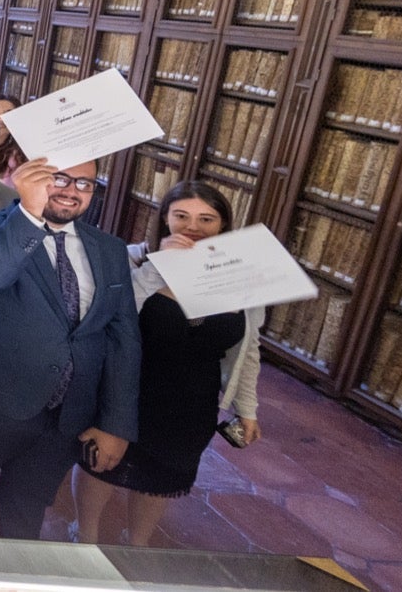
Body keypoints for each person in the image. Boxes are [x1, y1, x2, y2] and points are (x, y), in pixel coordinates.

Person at [0, 157, 142, 540]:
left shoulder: (110, 250)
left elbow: (123, 338)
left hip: (66, 417)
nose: (71, 191)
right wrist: (31, 211)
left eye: (85, 184)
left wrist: (117, 423)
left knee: (26, 515)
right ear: (31, 177)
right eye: (60, 178)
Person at [73, 181, 262, 546]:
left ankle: (138, 545)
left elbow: (248, 348)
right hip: (130, 385)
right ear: (164, 219)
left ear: (223, 226)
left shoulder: (242, 275)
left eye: (207, 218)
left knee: (164, 472)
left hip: (192, 398)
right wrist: (161, 267)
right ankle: (85, 535)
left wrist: (248, 408)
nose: (193, 227)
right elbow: (116, 315)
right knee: (103, 464)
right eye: (182, 216)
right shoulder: (131, 258)